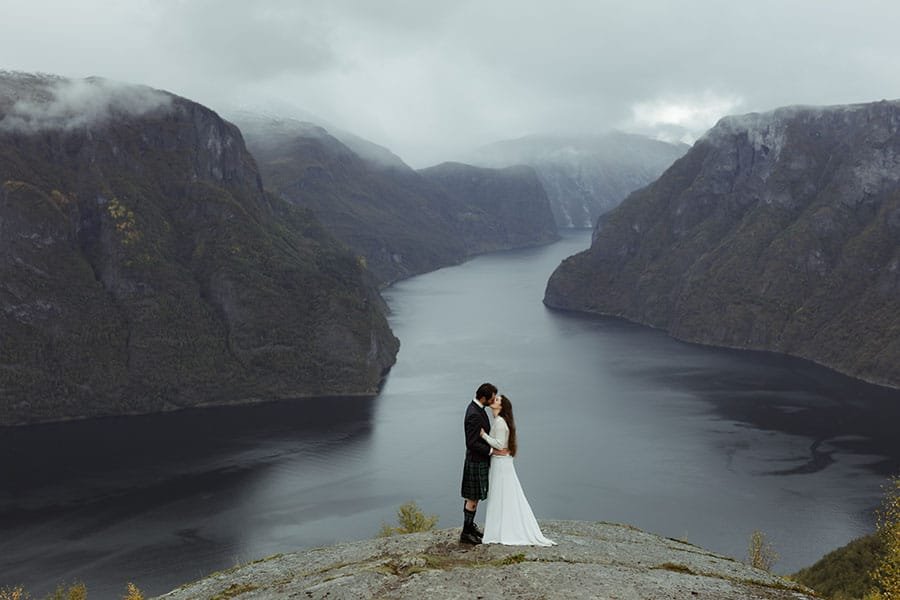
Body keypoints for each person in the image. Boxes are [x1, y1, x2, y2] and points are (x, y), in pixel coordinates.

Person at [479, 394, 556, 546]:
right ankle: (502, 529)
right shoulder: (501, 421)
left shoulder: (500, 422)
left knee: (500, 495)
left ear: (502, 406)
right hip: (502, 462)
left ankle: (501, 531)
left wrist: (484, 436)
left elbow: (500, 445)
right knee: (505, 495)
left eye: (497, 400)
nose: (494, 400)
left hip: (501, 464)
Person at [460, 382, 508, 545]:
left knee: (474, 498)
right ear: (483, 397)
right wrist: (492, 452)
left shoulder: (478, 409)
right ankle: (466, 533)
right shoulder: (474, 413)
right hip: (476, 460)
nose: (493, 401)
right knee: (473, 498)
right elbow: (472, 443)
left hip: (476, 460)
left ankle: (470, 528)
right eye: (492, 398)